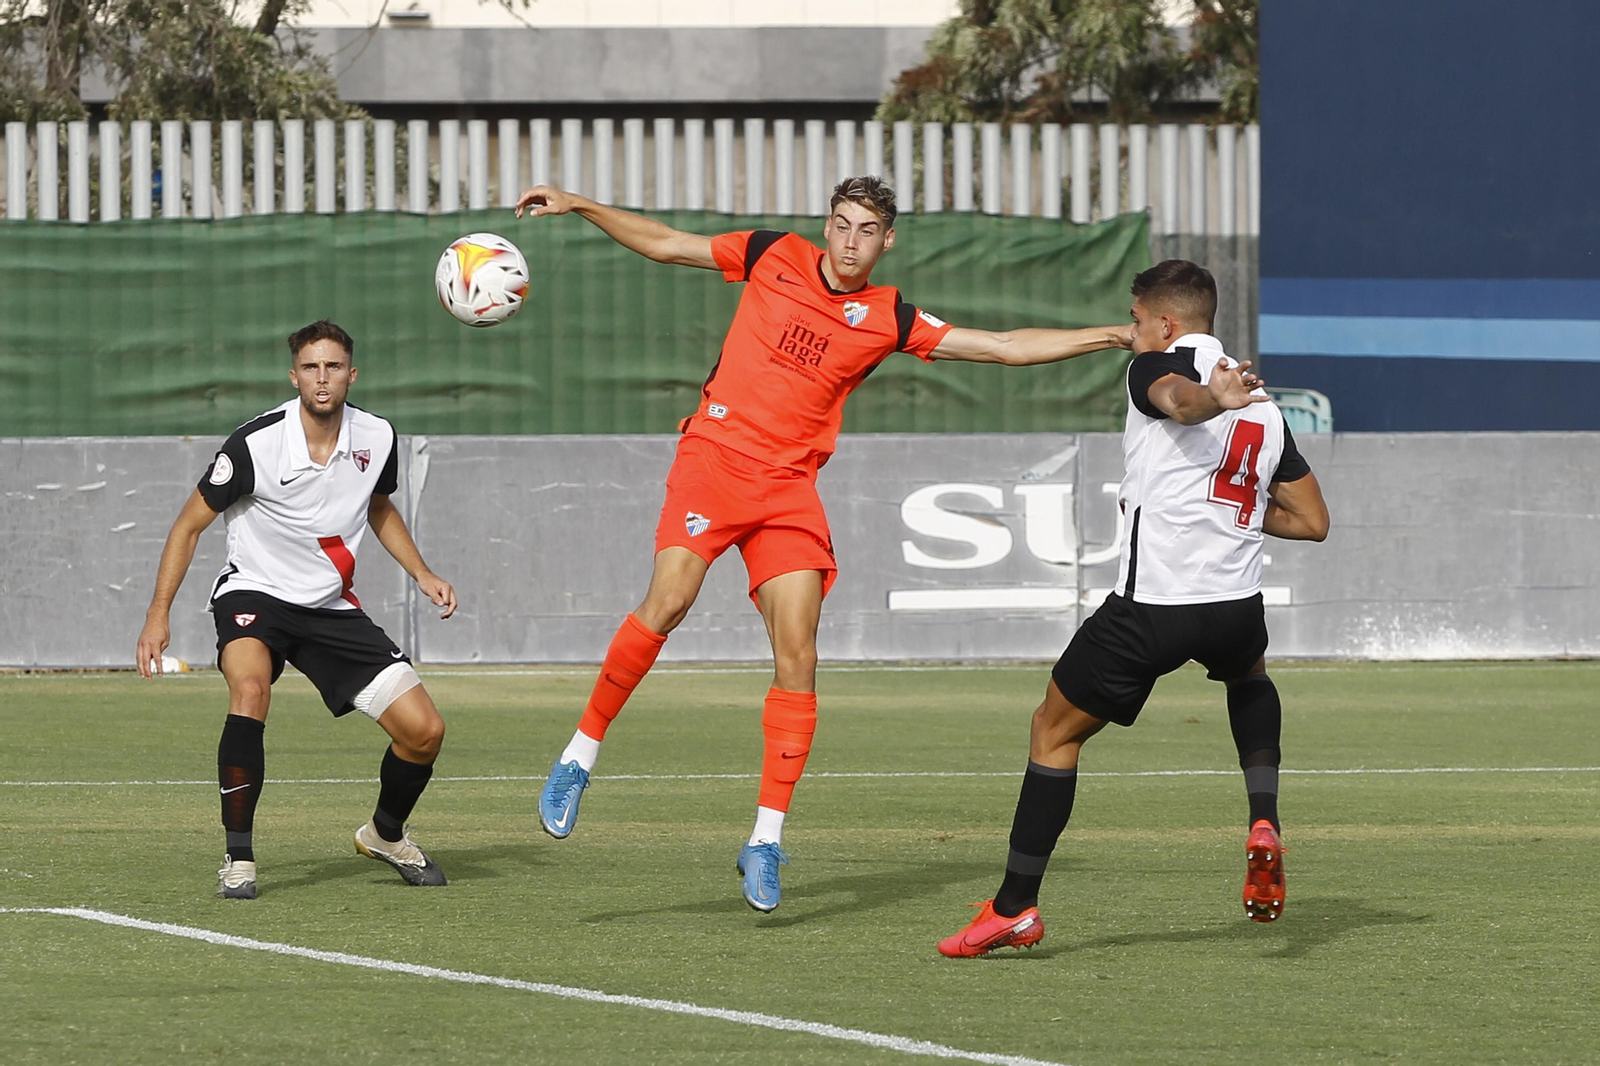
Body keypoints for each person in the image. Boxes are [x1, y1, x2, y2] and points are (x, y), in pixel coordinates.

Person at [513, 175, 1134, 912]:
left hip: (787, 491)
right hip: (713, 461)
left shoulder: (887, 316)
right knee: (670, 600)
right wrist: (581, 205)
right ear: (826, 225)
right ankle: (579, 757)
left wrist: (1114, 335)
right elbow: (668, 245)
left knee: (799, 652)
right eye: (840, 225)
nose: (849, 242)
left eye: (866, 230)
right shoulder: (772, 253)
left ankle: (766, 840)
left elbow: (999, 346)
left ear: (886, 240)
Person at [936, 260, 1331, 957]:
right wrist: (1227, 502)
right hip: (1235, 606)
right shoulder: (1264, 405)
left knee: (1052, 732)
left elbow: (1179, 402)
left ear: (1166, 322)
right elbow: (1311, 521)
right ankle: (1262, 819)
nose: (1133, 330)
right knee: (1248, 672)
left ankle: (1014, 908)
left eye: (1138, 317)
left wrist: (1212, 400)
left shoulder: (1160, 368)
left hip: (1155, 608)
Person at [135, 320, 459, 900]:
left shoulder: (377, 435)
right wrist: (159, 614)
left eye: (333, 366)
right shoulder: (255, 444)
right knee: (252, 689)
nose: (322, 378)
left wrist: (423, 572)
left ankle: (384, 834)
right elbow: (187, 527)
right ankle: (239, 859)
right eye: (311, 367)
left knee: (424, 731)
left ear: (351, 374)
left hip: (329, 607)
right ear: (294, 376)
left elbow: (378, 507)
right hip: (253, 594)